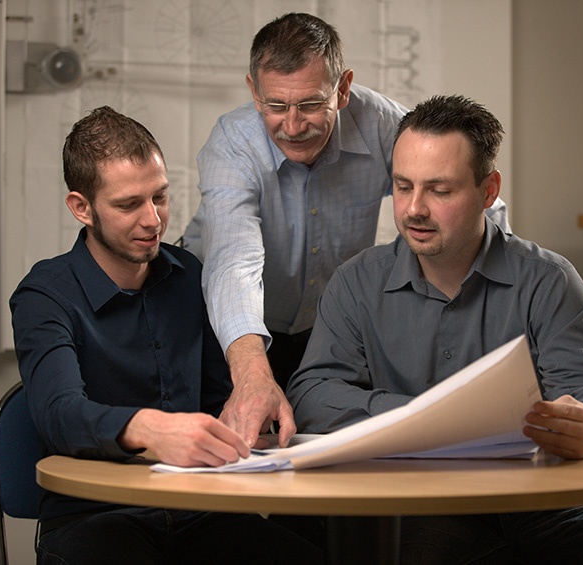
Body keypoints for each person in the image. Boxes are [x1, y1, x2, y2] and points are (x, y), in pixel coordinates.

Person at [286, 95, 583, 564]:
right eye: (403, 187)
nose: (414, 209)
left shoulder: (549, 280)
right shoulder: (356, 283)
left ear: (489, 191)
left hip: (552, 502)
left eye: (440, 191)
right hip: (429, 506)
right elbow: (312, 394)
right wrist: (429, 419)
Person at [180, 12, 510, 448]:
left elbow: (473, 209)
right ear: (253, 92)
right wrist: (253, 376)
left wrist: (505, 306)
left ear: (343, 88)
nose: (293, 126)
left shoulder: (384, 124)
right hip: (230, 331)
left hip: (324, 329)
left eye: (312, 104)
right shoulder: (232, 143)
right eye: (276, 106)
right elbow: (233, 263)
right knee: (236, 463)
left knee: (327, 461)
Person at [9, 106, 323, 564]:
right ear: (82, 208)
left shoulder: (189, 275)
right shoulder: (45, 295)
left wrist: (248, 423)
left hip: (203, 512)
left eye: (159, 196)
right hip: (96, 519)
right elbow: (59, 415)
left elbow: (222, 401)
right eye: (128, 204)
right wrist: (150, 429)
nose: (153, 220)